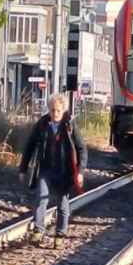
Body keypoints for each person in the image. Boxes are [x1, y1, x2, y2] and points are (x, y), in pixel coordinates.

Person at [18, 94, 87, 245]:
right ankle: (38, 230)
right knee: (41, 198)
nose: (55, 114)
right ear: (48, 110)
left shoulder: (70, 126)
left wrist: (80, 171)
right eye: (52, 110)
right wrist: (23, 169)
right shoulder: (42, 125)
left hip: (64, 171)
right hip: (45, 170)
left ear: (63, 111)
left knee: (62, 203)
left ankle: (60, 234)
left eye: (58, 111)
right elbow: (29, 146)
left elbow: (81, 149)